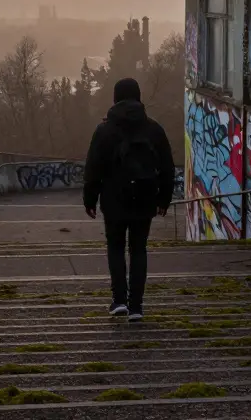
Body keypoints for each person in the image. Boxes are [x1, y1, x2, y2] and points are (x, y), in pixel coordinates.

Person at [83, 77, 175, 321]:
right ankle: (136, 306)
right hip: (144, 199)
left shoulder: (104, 130)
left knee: (115, 248)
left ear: (115, 98)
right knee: (138, 250)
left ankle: (119, 301)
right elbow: (167, 167)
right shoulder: (154, 129)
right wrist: (164, 198)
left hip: (114, 200)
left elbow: (93, 167)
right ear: (138, 97)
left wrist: (89, 199)